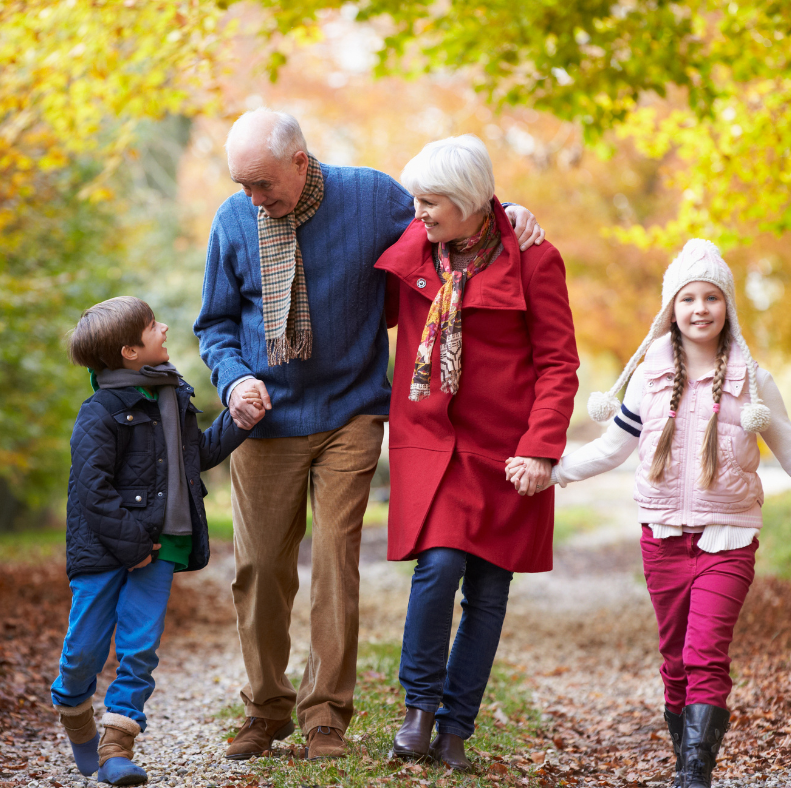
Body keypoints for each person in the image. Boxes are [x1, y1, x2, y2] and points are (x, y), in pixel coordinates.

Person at [194, 108, 546, 761]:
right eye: (242, 184)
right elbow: (214, 324)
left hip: (352, 409)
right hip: (265, 416)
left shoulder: (373, 197)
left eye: (263, 184)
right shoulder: (233, 221)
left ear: (300, 161)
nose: (252, 198)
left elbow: (453, 216)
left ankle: (325, 715)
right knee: (260, 567)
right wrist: (234, 377)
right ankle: (266, 708)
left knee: (334, 559)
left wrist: (510, 210)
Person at [514, 240, 791, 788]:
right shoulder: (649, 377)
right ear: (671, 309)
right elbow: (612, 448)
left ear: (727, 306)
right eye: (688, 298)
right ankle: (685, 752)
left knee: (704, 654)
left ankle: (694, 776)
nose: (700, 309)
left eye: (712, 297)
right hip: (662, 537)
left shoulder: (752, 381)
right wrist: (553, 469)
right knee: (675, 660)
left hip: (728, 538)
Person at [375, 135, 579, 772]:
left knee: (489, 591)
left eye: (433, 201)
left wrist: (542, 449)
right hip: (432, 444)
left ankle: (456, 731)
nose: (419, 212)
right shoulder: (416, 245)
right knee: (437, 568)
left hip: (507, 451)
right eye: (417, 199)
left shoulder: (535, 259)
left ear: (468, 204)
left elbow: (557, 364)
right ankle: (419, 712)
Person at [51, 296, 258, 786]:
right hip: (106, 549)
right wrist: (133, 544)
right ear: (129, 351)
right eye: (151, 325)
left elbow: (193, 458)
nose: (164, 327)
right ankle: (75, 712)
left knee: (140, 646)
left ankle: (117, 744)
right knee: (84, 648)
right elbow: (92, 489)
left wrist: (238, 421)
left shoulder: (172, 397)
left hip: (163, 545)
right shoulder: (100, 412)